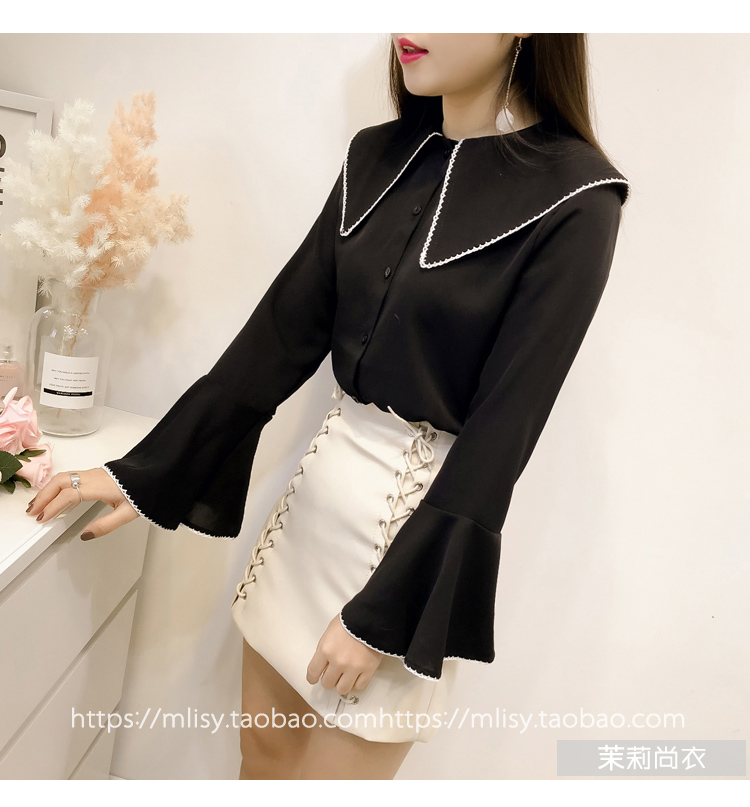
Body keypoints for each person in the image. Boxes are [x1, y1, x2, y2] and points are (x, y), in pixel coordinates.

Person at [25, 33, 631, 779]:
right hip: (305, 525)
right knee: (260, 761)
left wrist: (386, 616)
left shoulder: (578, 199)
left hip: (403, 552)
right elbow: (277, 337)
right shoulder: (375, 156)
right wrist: (147, 473)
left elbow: (502, 437)